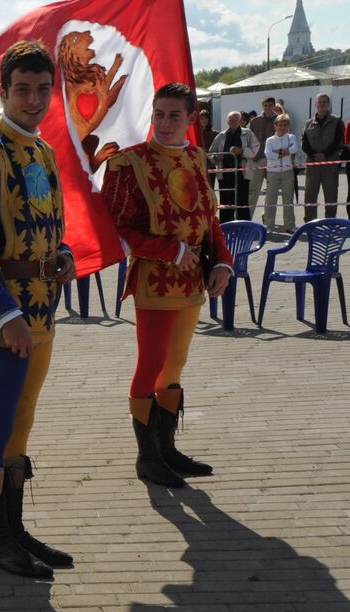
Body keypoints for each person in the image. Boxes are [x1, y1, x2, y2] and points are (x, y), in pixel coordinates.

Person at [0, 40, 77, 579]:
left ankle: (15, 530)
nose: (33, 99)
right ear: (2, 90)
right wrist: (6, 316)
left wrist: (64, 255)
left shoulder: (43, 151)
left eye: (43, 89)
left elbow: (50, 223)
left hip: (42, 310)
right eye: (22, 89)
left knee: (20, 425)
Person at [101, 82, 232, 490]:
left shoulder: (197, 158)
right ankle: (147, 457)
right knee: (151, 363)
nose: (165, 122)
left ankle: (166, 449)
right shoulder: (129, 163)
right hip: (154, 280)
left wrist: (223, 262)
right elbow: (118, 226)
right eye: (159, 114)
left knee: (175, 364)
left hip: (192, 282)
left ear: (191, 119)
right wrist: (169, 250)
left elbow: (209, 219)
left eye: (175, 115)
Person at [301, 94, 344, 221]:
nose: (322, 104)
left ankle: (330, 222)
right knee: (310, 195)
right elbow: (304, 142)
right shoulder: (308, 123)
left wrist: (325, 155)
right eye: (319, 102)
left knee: (331, 195)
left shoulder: (337, 121)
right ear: (315, 104)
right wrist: (314, 155)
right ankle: (309, 222)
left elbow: (339, 142)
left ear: (328, 104)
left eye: (324, 102)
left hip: (330, 163)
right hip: (313, 164)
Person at [210, 111, 254, 222]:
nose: (233, 122)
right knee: (225, 202)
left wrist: (242, 151)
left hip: (241, 173)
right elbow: (211, 153)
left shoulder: (248, 133)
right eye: (230, 120)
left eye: (235, 120)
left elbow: (255, 149)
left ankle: (244, 226)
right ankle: (226, 226)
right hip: (225, 174)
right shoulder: (221, 135)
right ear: (227, 121)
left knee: (242, 202)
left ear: (240, 121)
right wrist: (216, 156)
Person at [262, 114, 299, 235]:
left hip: (288, 171)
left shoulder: (291, 137)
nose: (282, 127)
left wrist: (279, 152)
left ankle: (290, 226)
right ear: (275, 126)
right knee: (270, 200)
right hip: (272, 172)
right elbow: (268, 154)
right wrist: (285, 152)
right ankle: (269, 226)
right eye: (280, 125)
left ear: (288, 126)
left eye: (285, 125)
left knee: (288, 199)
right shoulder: (270, 140)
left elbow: (295, 148)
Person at [247, 97, 279, 217]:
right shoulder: (255, 121)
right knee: (253, 190)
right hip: (257, 159)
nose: (267, 107)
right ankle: (248, 218)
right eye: (265, 105)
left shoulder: (280, 120)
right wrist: (251, 155)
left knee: (271, 191)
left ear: (274, 106)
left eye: (270, 105)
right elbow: (249, 140)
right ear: (262, 106)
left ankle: (267, 217)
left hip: (273, 160)